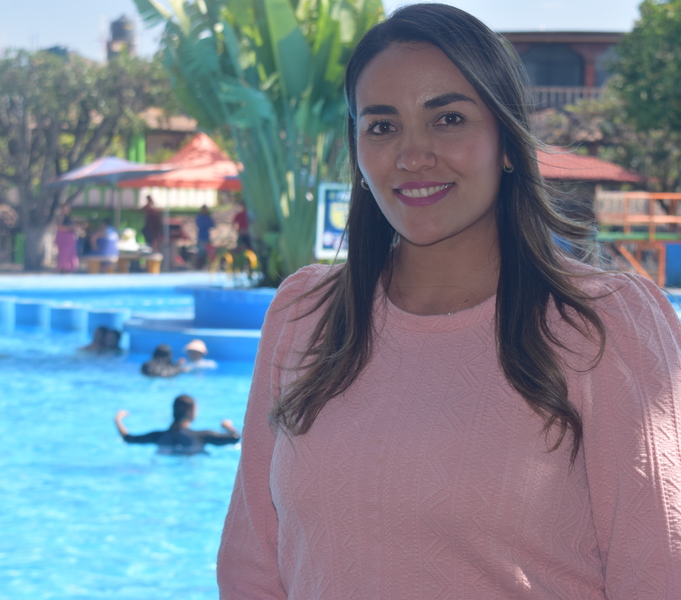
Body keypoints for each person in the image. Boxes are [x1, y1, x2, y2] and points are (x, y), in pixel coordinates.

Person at [217, 4, 681, 599]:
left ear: (507, 142)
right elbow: (252, 563)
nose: (413, 155)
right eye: (382, 127)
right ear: (357, 151)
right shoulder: (304, 314)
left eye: (449, 119)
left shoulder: (605, 323)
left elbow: (660, 571)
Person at [114, 394, 239, 455]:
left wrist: (118, 420)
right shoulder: (202, 436)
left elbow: (128, 438)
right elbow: (235, 438)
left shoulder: (158, 436)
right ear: (191, 413)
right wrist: (227, 426)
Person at [54, 204, 79, 273]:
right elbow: (58, 227)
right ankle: (62, 268)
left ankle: (70, 267)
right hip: (63, 238)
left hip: (70, 238)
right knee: (64, 253)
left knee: (70, 254)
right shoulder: (59, 217)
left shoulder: (69, 217)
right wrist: (70, 228)